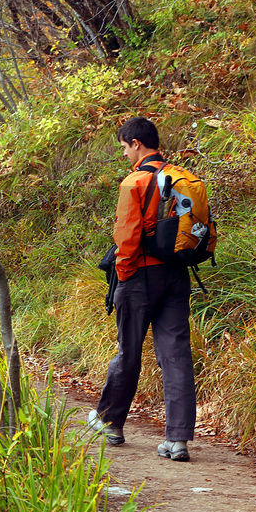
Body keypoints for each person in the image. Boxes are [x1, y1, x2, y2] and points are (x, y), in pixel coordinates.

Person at [87, 116, 196, 462]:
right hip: (177, 276)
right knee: (176, 354)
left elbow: (127, 237)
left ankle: (109, 423)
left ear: (136, 143)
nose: (124, 154)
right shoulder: (181, 178)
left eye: (124, 147)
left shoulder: (135, 181)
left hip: (140, 278)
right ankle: (177, 440)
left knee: (128, 351)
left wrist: (123, 277)